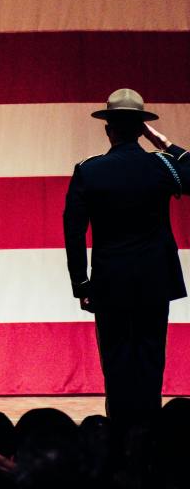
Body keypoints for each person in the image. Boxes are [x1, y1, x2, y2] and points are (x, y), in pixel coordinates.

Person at [63, 88, 190, 428]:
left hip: (110, 281)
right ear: (141, 129)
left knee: (117, 359)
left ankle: (119, 432)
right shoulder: (162, 166)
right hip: (154, 280)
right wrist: (164, 143)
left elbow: (74, 233)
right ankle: (149, 433)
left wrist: (81, 284)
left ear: (109, 129)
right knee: (150, 358)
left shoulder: (90, 170)